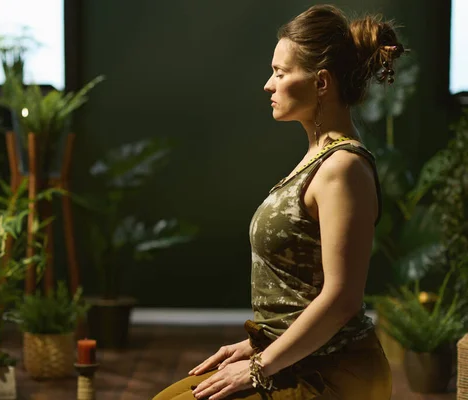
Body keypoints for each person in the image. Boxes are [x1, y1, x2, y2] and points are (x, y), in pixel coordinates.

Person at [153, 4, 404, 400]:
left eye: (280, 73)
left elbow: (341, 299)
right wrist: (259, 344)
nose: (269, 85)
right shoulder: (318, 160)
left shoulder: (344, 169)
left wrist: (260, 366)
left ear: (321, 83)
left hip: (333, 370)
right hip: (294, 356)